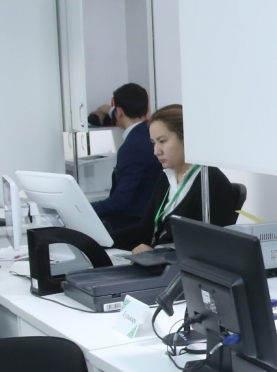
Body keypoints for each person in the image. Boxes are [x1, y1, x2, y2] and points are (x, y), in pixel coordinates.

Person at [111, 104, 240, 251]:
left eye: (162, 141)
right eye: (153, 143)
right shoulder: (166, 177)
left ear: (185, 138)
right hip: (158, 260)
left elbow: (212, 245)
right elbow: (145, 229)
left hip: (177, 263)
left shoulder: (210, 181)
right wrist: (102, 242)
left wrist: (156, 254)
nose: (156, 151)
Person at [90, 83, 163, 231]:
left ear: (119, 111)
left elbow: (121, 200)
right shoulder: (149, 133)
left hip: (132, 226)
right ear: (147, 108)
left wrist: (82, 209)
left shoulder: (132, 146)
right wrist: (106, 110)